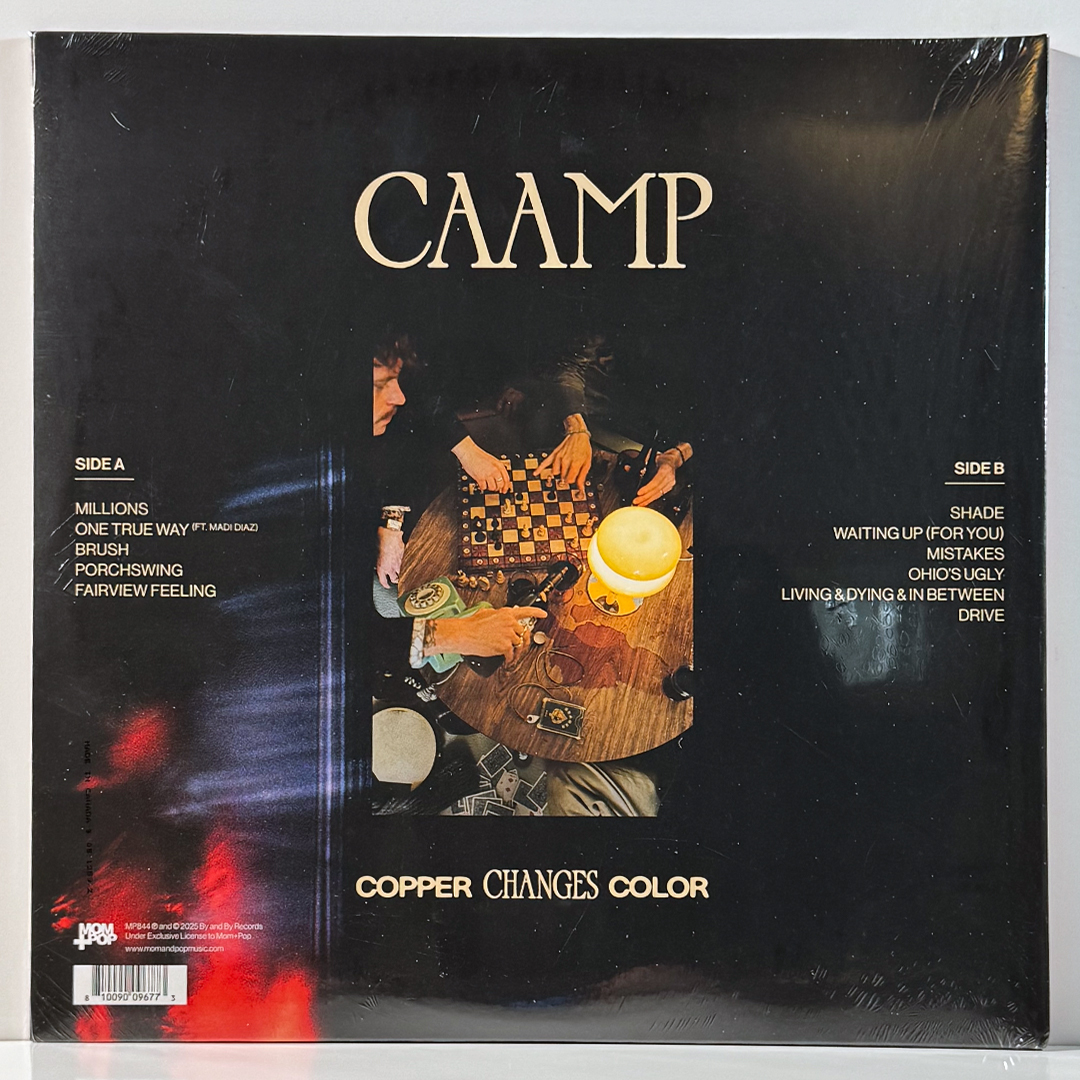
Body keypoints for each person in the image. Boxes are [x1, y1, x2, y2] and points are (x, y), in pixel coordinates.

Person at [371, 336, 544, 664]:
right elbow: (346, 642)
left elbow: (415, 403)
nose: (399, 397)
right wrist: (460, 634)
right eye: (380, 386)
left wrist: (391, 521)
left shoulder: (388, 405)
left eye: (395, 379)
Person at [532, 333, 694, 506]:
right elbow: (569, 365)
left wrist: (676, 456)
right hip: (594, 418)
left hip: (661, 450)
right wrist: (576, 427)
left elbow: (708, 423)